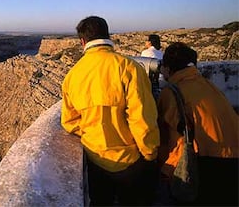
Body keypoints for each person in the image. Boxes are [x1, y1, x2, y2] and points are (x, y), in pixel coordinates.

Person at [61, 16, 160, 206]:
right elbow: (143, 119)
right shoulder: (129, 68)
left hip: (95, 160)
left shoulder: (72, 76)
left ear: (82, 41)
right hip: (130, 162)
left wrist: (94, 132)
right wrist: (150, 155)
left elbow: (69, 122)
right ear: (108, 35)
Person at [157, 42, 239, 206]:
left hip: (206, 162)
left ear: (168, 67)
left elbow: (176, 139)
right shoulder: (207, 84)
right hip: (232, 158)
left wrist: (166, 171)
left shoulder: (172, 92)